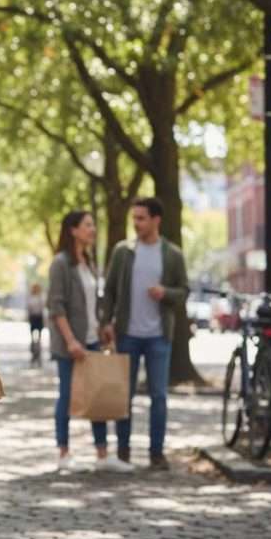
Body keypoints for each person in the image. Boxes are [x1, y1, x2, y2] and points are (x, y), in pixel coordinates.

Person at [100, 197, 189, 471]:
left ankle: (156, 453)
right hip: (128, 334)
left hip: (159, 335)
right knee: (124, 395)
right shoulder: (123, 252)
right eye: (134, 218)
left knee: (159, 396)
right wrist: (106, 321)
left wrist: (166, 293)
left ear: (156, 219)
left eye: (141, 218)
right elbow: (110, 290)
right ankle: (124, 451)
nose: (136, 223)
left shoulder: (172, 254)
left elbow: (184, 291)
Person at [47, 211, 134, 473]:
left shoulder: (88, 262)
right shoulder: (61, 263)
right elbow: (56, 307)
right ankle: (63, 453)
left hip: (93, 339)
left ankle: (102, 455)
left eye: (93, 225)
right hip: (70, 344)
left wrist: (103, 328)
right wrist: (71, 341)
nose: (93, 229)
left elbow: (92, 304)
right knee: (66, 396)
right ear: (73, 230)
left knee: (98, 393)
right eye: (88, 225)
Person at [26, 283, 45, 365]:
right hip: (35, 318)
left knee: (37, 338)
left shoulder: (39, 297)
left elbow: (29, 308)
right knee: (34, 338)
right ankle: (35, 353)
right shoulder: (34, 297)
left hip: (36, 318)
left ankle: (37, 354)